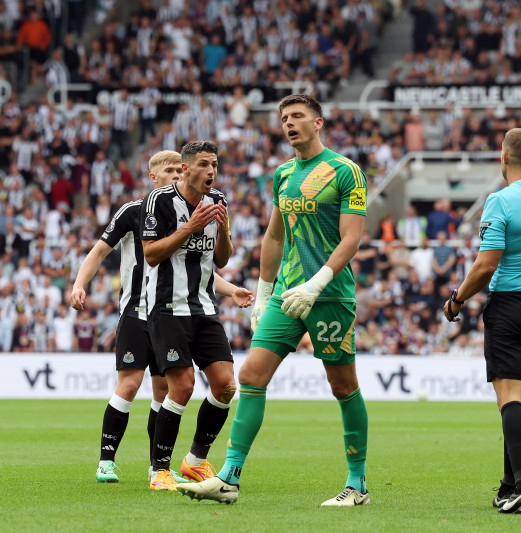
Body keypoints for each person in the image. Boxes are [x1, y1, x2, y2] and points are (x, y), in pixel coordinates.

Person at [178, 94, 370, 506]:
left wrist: (317, 282)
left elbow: (352, 238)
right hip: (286, 294)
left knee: (343, 386)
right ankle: (229, 477)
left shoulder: (345, 172)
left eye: (298, 116)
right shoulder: (282, 174)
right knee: (250, 376)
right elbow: (275, 235)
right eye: (284, 118)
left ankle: (358, 484)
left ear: (318, 123)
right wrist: (265, 292)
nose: (289, 123)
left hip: (330, 294)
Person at [70, 150, 253, 485]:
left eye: (176, 170)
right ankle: (107, 461)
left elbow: (200, 266)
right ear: (152, 177)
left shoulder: (204, 203)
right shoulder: (136, 211)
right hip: (139, 311)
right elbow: (99, 251)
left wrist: (230, 291)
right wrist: (80, 284)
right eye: (167, 170)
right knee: (129, 383)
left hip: (183, 310)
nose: (173, 175)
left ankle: (159, 467)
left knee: (164, 391)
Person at [441, 49, 521, 514]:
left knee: (508, 396)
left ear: (503, 157)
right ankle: (510, 483)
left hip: (510, 306)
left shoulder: (500, 201)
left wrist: (456, 299)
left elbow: (486, 266)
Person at [140, 141, 238, 491]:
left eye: (214, 164)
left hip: (205, 307)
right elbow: (151, 255)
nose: (211, 171)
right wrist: (189, 228)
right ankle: (159, 471)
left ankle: (195, 461)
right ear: (185, 168)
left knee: (226, 386)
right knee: (182, 386)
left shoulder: (219, 201)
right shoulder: (159, 201)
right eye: (204, 165)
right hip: (167, 307)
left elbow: (222, 259)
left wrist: (222, 229)